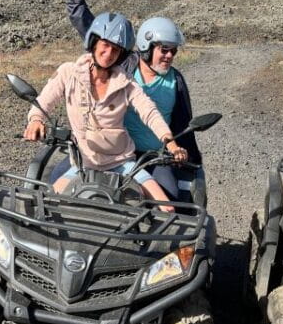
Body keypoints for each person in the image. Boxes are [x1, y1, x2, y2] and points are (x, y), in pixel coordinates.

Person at [52, 0, 202, 201]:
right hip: (109, 150)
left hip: (153, 156)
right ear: (145, 47)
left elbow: (178, 121)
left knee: (172, 198)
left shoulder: (176, 81)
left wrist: (185, 155)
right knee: (51, 184)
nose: (169, 56)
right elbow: (98, 34)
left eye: (173, 51)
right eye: (164, 50)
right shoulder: (123, 66)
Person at [23, 12, 188, 212]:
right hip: (83, 163)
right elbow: (44, 101)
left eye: (116, 50)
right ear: (93, 42)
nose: (109, 54)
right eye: (105, 45)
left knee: (167, 209)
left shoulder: (126, 82)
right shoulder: (69, 73)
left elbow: (149, 111)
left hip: (123, 163)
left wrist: (170, 142)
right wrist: (35, 120)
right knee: (43, 206)